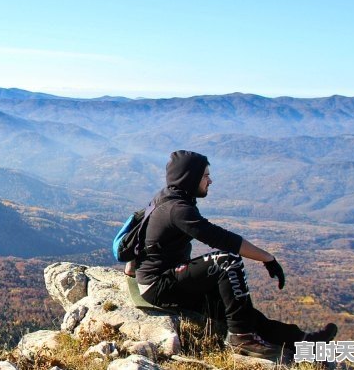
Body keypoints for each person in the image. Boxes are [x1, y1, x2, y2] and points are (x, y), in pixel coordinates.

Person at [134, 150, 337, 359]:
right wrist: (268, 258)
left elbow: (139, 235)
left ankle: (303, 341)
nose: (210, 181)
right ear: (190, 177)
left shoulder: (167, 196)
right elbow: (222, 239)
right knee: (227, 261)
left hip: (166, 280)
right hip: (160, 285)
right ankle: (241, 338)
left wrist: (134, 271)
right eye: (205, 176)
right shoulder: (177, 209)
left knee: (238, 309)